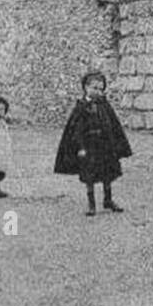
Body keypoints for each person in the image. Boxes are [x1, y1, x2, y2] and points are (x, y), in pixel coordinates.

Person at [55, 71, 133, 216]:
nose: (98, 91)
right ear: (86, 87)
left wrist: (115, 144)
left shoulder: (104, 105)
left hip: (104, 145)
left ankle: (108, 200)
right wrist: (80, 147)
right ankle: (91, 204)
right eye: (95, 88)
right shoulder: (81, 107)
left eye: (101, 89)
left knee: (107, 173)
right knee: (89, 175)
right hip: (89, 146)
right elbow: (76, 129)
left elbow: (113, 124)